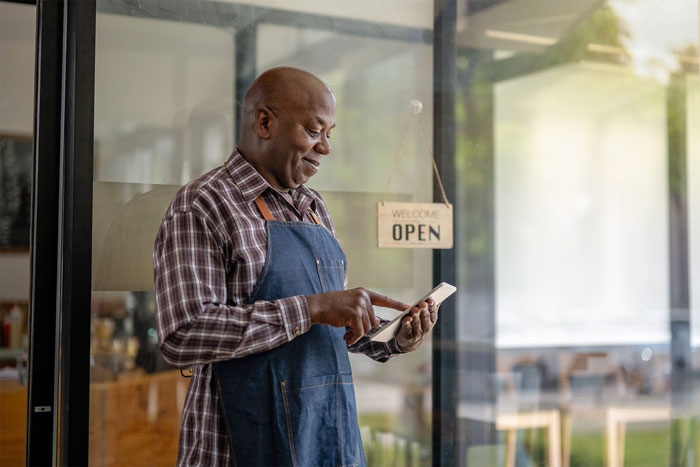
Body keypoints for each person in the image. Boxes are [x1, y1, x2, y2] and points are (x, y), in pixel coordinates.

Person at [153, 66, 440, 466]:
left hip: (324, 441)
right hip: (236, 448)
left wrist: (392, 340)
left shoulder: (313, 206)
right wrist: (312, 307)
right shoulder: (203, 204)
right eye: (313, 130)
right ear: (265, 122)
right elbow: (182, 335)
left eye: (330, 134)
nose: (325, 148)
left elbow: (329, 330)